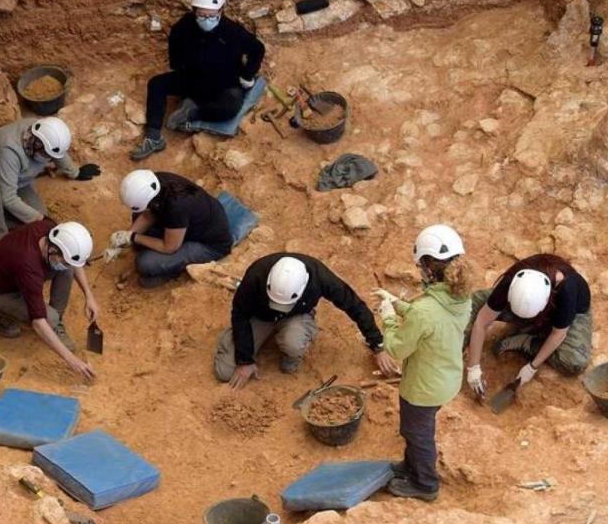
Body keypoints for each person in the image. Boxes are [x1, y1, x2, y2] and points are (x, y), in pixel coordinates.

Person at [374, 224, 472, 501]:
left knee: (416, 433)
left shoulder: (425, 310)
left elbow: (396, 348)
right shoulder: (461, 297)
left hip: (422, 387)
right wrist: (398, 304)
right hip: (447, 377)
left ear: (429, 266)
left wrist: (388, 317)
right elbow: (430, 320)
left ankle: (425, 484)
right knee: (417, 430)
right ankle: (410, 466)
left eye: (421, 265)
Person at [214, 253, 399, 389]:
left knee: (293, 344)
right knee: (225, 371)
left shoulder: (319, 276)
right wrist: (245, 360)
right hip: (260, 316)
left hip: (296, 315)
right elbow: (239, 314)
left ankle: (294, 343)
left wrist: (378, 346)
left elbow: (354, 305)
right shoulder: (256, 275)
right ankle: (239, 341)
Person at [131, 0, 265, 160]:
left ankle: (193, 112)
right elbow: (174, 49)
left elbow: (257, 49)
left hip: (224, 84)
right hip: (192, 80)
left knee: (230, 108)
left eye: (212, 16)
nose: (207, 20)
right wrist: (181, 68)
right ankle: (153, 136)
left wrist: (247, 75)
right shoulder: (184, 26)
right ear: (194, 11)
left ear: (221, 10)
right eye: (202, 15)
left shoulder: (231, 31)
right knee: (156, 84)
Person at [0, 219, 98, 380]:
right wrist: (72, 360)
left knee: (66, 270)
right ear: (53, 250)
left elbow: (72, 261)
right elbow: (38, 323)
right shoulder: (28, 265)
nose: (66, 263)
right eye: (64, 259)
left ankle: (56, 324)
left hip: (14, 278)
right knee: (48, 319)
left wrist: (89, 295)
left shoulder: (52, 232)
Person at [464, 253, 593, 400]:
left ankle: (526, 342)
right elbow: (482, 322)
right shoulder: (513, 281)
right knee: (473, 304)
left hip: (568, 314)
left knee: (574, 361)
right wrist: (473, 368)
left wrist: (532, 367)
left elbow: (558, 334)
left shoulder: (567, 290)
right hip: (523, 308)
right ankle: (453, 352)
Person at [0, 116, 102, 242]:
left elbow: (58, 153)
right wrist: (40, 219)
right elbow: (8, 197)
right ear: (36, 144)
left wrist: (75, 172)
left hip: (14, 180)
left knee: (37, 218)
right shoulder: (10, 149)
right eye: (46, 155)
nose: (48, 159)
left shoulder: (44, 131)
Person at [108, 169, 233, 288]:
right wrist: (127, 236)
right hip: (188, 225)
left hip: (210, 245)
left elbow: (169, 247)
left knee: (144, 263)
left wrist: (133, 237)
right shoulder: (155, 182)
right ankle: (170, 258)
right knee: (138, 217)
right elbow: (148, 214)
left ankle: (173, 272)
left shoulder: (177, 208)